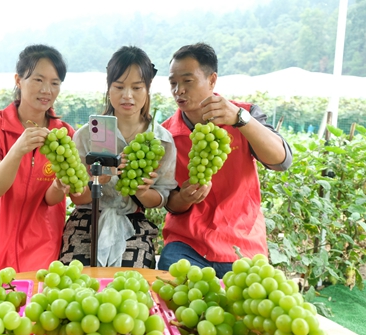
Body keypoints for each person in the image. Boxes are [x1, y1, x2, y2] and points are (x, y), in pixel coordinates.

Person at [158, 42, 293, 277]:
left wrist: (242, 120)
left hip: (241, 244)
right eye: (173, 83)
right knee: (175, 297)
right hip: (187, 245)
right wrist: (184, 198)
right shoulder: (165, 134)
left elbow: (281, 160)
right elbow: (170, 203)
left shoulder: (245, 114)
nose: (178, 90)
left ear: (212, 80)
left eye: (187, 81)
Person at [59, 46, 178, 268]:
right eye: (119, 86)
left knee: (132, 293)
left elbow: (161, 199)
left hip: (133, 224)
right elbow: (78, 198)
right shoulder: (88, 135)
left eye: (136, 87)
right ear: (109, 88)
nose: (127, 95)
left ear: (147, 89)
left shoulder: (161, 141)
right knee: (76, 285)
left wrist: (141, 191)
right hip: (87, 220)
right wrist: (99, 180)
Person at [0, 44, 76, 272]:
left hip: (41, 251)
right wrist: (17, 149)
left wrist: (59, 185)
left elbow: (50, 200)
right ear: (18, 80)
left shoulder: (63, 135)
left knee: (34, 305)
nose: (47, 90)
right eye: (38, 80)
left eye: (55, 83)